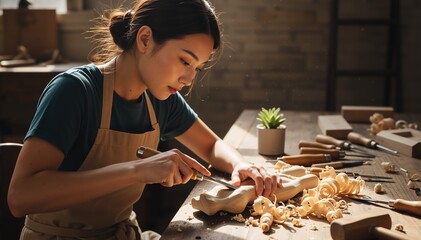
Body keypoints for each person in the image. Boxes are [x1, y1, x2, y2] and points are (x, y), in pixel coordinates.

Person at [8, 0, 283, 239]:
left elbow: (211, 146)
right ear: (145, 39)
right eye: (184, 61)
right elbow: (20, 197)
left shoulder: (159, 100)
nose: (189, 80)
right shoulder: (75, 91)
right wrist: (136, 170)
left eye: (197, 68)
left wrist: (242, 165)